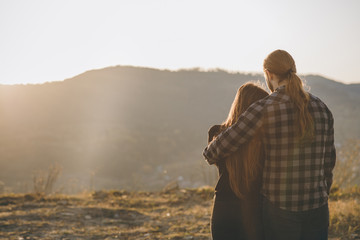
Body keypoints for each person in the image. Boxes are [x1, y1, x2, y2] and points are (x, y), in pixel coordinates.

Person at [203, 49, 336, 240]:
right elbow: (328, 163)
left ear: (269, 74)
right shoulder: (322, 108)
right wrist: (322, 193)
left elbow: (212, 153)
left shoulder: (263, 108)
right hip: (318, 207)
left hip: (279, 208)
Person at [209, 82, 269, 240]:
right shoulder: (264, 139)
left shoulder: (216, 133)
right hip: (254, 207)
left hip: (223, 206)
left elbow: (214, 161)